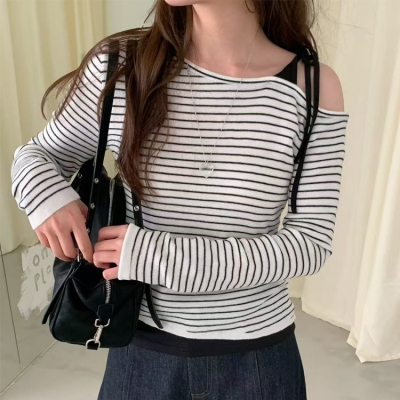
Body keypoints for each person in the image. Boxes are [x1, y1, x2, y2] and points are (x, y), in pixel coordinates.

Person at [11, 0, 350, 399]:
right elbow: (38, 156)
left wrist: (158, 257)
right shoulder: (121, 66)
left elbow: (310, 244)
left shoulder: (311, 88)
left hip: (258, 363)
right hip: (141, 356)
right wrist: (48, 198)